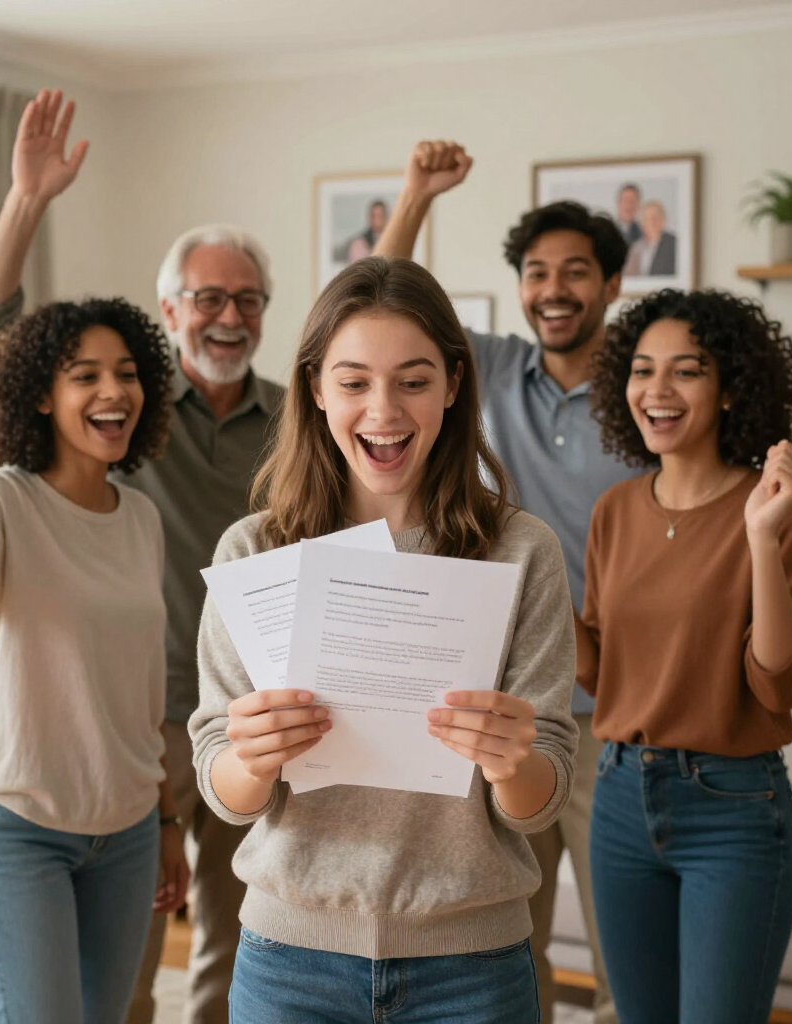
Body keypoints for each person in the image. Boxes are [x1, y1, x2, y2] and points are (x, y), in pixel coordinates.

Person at [0, 89, 285, 1024]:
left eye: (247, 300)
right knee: (125, 984)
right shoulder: (121, 408)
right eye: (208, 298)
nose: (228, 315)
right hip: (139, 722)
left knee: (239, 945)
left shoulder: (293, 418)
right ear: (171, 309)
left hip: (248, 708)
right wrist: (27, 200)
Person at [190, 255, 579, 1023]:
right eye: (354, 382)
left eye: (413, 380)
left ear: (454, 384)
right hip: (289, 961)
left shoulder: (521, 550)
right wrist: (250, 759)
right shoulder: (254, 550)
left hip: (472, 965)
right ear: (315, 388)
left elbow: (540, 802)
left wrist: (511, 762)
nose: (383, 410)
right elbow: (221, 788)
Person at [374, 140, 637, 1024]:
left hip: (608, 711)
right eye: (536, 273)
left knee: (619, 951)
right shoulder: (485, 369)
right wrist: (417, 196)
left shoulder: (643, 395)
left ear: (611, 284)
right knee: (510, 942)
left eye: (575, 272)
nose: (553, 289)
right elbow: (376, 305)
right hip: (497, 702)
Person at [0, 296, 188, 1024]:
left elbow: (140, 688)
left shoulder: (141, 518)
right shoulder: (3, 499)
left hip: (127, 829)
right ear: (40, 397)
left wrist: (164, 821)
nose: (113, 391)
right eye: (84, 375)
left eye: (127, 373)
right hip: (14, 826)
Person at [578, 289, 792, 1024]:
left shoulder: (776, 506)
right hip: (618, 797)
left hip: (735, 810)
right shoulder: (614, 510)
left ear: (729, 389)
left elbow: (778, 684)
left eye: (686, 370)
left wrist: (760, 539)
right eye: (642, 369)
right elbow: (600, 670)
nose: (657, 390)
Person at [624, 200, 677, 276]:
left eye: (654, 218)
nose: (651, 222)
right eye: (646, 219)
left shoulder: (673, 244)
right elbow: (628, 275)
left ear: (663, 221)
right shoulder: (636, 247)